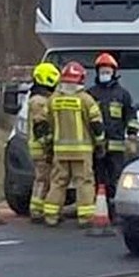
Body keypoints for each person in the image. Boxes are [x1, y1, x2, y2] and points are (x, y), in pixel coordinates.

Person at [42, 61, 106, 227]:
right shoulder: (86, 100)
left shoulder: (53, 100)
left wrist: (47, 145)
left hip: (59, 151)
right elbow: (96, 125)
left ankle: (51, 215)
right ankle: (85, 218)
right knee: (84, 182)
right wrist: (100, 144)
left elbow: (42, 124)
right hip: (82, 151)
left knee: (57, 182)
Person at [87, 52, 139, 223]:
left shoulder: (123, 95)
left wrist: (132, 137)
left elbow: (131, 117)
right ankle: (99, 210)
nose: (104, 73)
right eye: (102, 70)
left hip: (116, 147)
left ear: (114, 72)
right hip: (96, 146)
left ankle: (116, 211)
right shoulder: (90, 94)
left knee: (115, 179)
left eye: (107, 70)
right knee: (97, 178)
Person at [26, 62, 60, 222]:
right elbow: (41, 126)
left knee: (44, 179)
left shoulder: (39, 98)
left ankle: (38, 209)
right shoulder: (39, 101)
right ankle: (38, 211)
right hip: (41, 148)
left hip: (39, 147)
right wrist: (48, 146)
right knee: (43, 179)